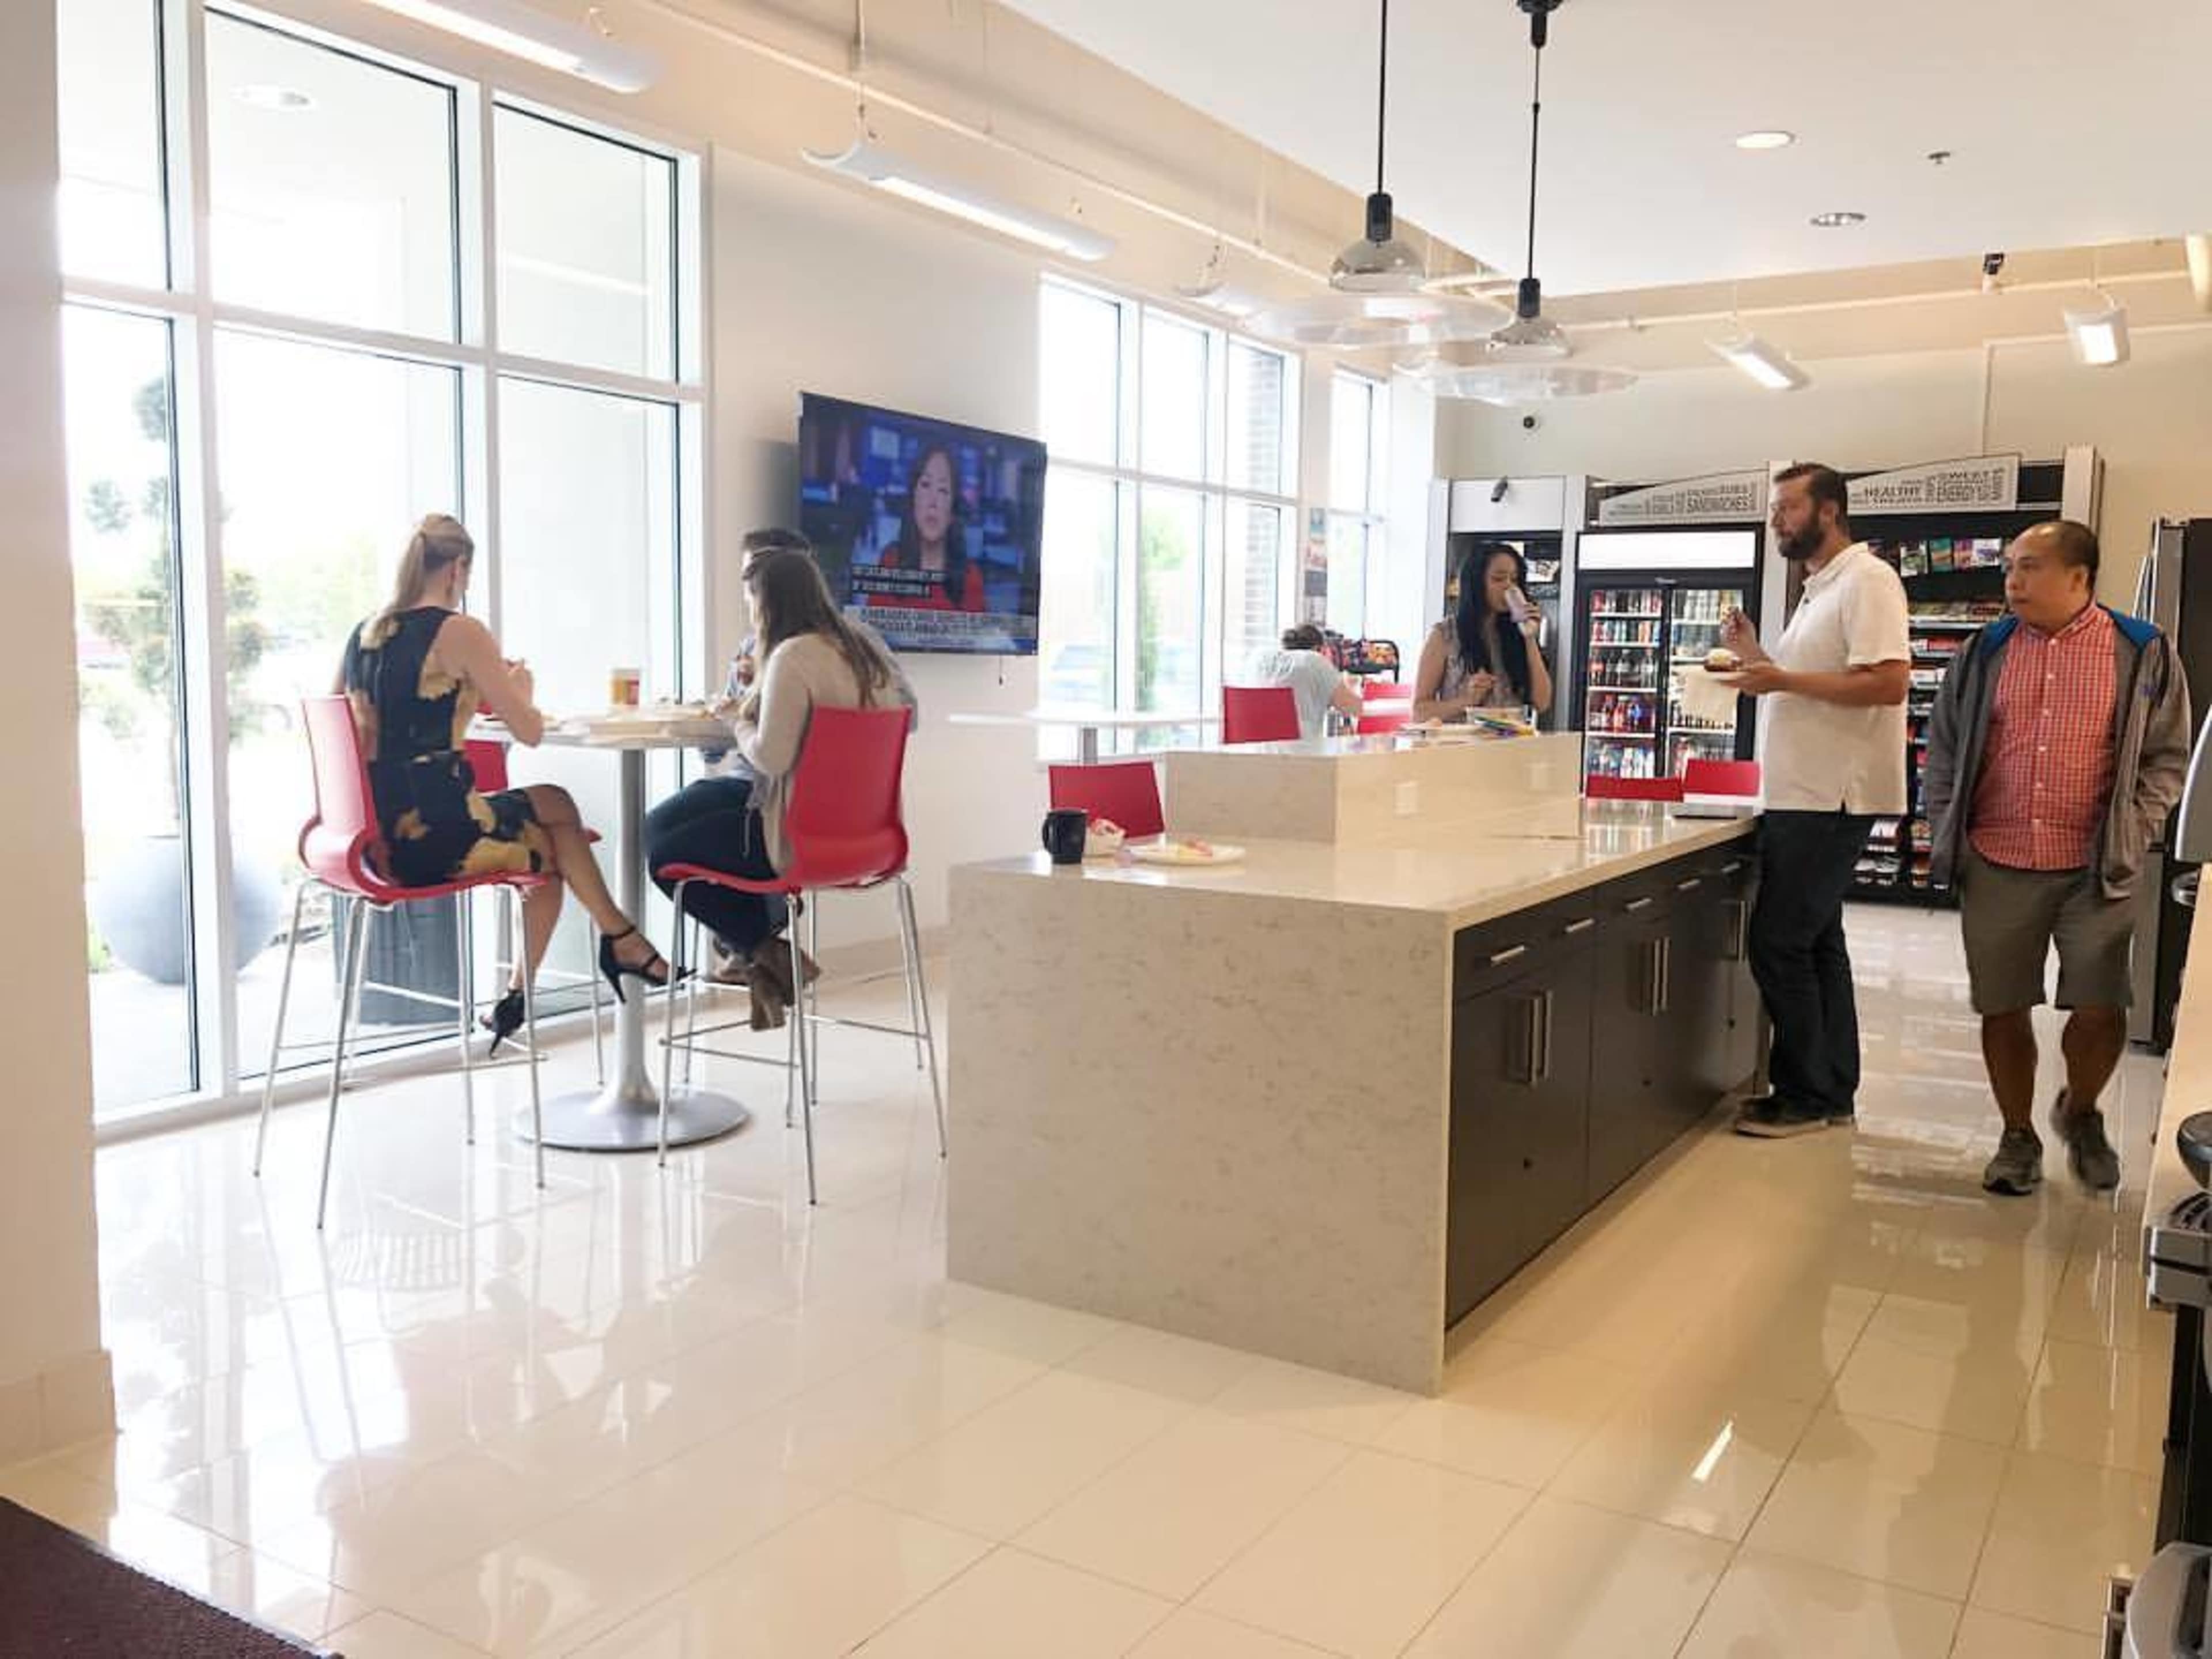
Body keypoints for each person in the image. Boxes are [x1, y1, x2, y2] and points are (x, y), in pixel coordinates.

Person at [336, 515, 675, 1051]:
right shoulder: (460, 631)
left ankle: (588, 958)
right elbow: (531, 731)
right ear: (457, 569)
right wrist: (521, 687)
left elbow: (353, 732)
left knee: (555, 815)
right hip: (439, 839)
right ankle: (614, 942)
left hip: (379, 838)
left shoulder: (365, 633)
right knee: (556, 841)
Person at [1925, 520, 2190, 1195]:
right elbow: (1947, 747)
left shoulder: (2141, 650)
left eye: (2030, 567)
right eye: (2010, 567)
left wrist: (2139, 822)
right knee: (2003, 1005)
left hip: (2095, 866)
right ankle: (2017, 1137)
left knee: (2101, 1005)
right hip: (1998, 856)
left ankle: (2081, 1108)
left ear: (2080, 578)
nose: (2012, 580)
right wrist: (1944, 820)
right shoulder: (1984, 651)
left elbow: (2167, 754)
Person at [1719, 463, 1911, 1138]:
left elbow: (1888, 683)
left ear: (1829, 511)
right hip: (1803, 791)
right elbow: (1811, 685)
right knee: (1819, 943)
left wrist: (1780, 678)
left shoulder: (1868, 579)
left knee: (1778, 943)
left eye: (1788, 507)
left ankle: (1802, 1092)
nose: (1776, 519)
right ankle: (1831, 1089)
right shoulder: (1818, 587)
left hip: (1832, 796)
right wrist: (1756, 658)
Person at [647, 529, 916, 984]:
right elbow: (902, 717)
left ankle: (762, 949)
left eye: (751, 595)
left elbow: (771, 758)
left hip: (794, 831)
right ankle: (761, 954)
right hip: (871, 835)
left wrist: (736, 720)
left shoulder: (792, 656)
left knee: (662, 852)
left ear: (768, 598)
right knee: (666, 826)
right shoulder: (862, 652)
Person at [1412, 541, 1554, 721]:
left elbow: (1542, 702)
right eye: (1498, 579)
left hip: (1511, 745)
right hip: (1462, 746)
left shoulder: (1516, 634)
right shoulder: (1445, 635)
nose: (1509, 586)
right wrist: (1467, 701)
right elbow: (1419, 712)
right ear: (1476, 583)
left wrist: (1530, 637)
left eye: (1514, 579)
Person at [873, 445, 986, 612]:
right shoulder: (890, 563)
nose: (933, 502)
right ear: (914, 500)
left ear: (953, 511)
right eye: (926, 485)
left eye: (943, 490)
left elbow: (981, 636)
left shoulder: (970, 578)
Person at [1245, 623, 1363, 739]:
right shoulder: (1314, 661)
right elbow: (1354, 708)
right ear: (1319, 649)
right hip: (1301, 752)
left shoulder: (1258, 659)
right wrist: (1352, 687)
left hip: (1251, 751)